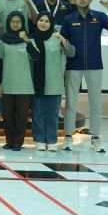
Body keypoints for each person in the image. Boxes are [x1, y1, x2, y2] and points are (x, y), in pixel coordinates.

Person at [61, 0, 108, 152]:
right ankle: (68, 136)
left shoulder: (99, 17)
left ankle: (96, 138)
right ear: (74, 0)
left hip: (95, 65)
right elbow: (63, 42)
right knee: (70, 103)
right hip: (73, 66)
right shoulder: (68, 19)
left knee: (96, 103)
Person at [0, 11, 39, 151]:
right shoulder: (2, 40)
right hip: (7, 83)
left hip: (24, 85)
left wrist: (26, 40)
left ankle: (18, 143)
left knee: (22, 116)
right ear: (8, 23)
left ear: (23, 23)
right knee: (7, 115)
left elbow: (36, 56)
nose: (15, 24)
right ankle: (9, 141)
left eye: (18, 22)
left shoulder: (29, 40)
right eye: (12, 21)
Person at [31, 12, 75, 151]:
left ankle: (51, 141)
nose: (43, 23)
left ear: (51, 24)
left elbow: (71, 52)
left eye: (46, 21)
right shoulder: (31, 39)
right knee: (38, 114)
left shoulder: (56, 39)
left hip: (54, 83)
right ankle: (39, 140)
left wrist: (62, 38)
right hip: (36, 83)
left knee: (52, 115)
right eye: (40, 20)